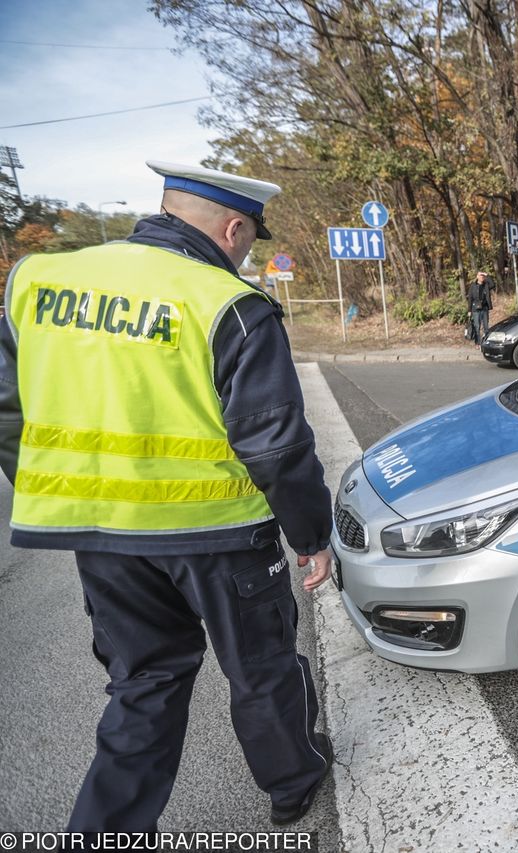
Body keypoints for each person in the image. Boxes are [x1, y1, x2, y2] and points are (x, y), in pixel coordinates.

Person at [0, 161, 335, 830]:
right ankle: (293, 781)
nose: (244, 254)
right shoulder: (229, 302)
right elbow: (274, 443)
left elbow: (9, 409)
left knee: (144, 683)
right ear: (234, 227)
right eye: (249, 241)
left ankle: (103, 835)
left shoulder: (36, 282)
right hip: (221, 532)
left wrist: (66, 494)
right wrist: (310, 537)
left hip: (102, 537)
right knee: (262, 667)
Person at [467, 271, 493, 343]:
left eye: (483, 276)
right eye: (480, 276)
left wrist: (486, 275)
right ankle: (477, 342)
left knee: (486, 326)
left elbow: (493, 284)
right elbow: (470, 299)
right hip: (476, 309)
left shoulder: (486, 285)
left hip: (484, 308)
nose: (482, 277)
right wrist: (469, 310)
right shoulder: (473, 286)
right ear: (477, 277)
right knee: (477, 326)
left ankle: (486, 341)